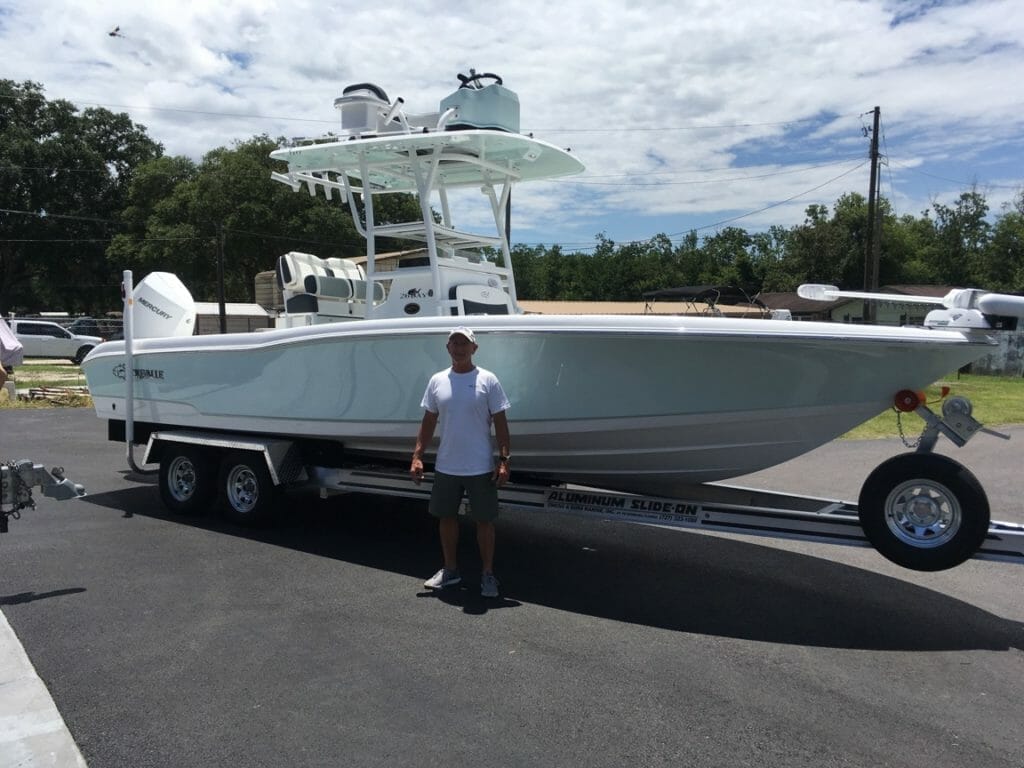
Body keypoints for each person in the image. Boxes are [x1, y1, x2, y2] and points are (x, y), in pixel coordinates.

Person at [411, 326, 511, 598]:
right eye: (454, 343)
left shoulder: (488, 380)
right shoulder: (437, 381)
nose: (459, 348)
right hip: (447, 465)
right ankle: (450, 570)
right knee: (446, 517)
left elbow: (501, 424)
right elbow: (428, 422)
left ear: (474, 348)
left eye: (464, 343)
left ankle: (488, 574)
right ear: (448, 348)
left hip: (480, 466)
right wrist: (417, 456)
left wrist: (504, 460)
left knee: (484, 521)